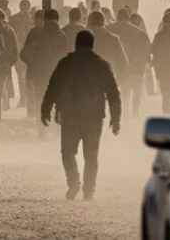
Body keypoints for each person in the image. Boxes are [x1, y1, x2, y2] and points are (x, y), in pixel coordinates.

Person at [41, 30, 122, 201]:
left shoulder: (66, 63)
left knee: (67, 152)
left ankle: (73, 181)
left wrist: (45, 109)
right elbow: (113, 93)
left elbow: (53, 87)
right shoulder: (101, 64)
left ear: (76, 44)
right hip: (94, 116)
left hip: (70, 115)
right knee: (91, 155)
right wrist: (116, 118)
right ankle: (89, 191)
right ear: (93, 44)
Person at [19, 10, 67, 133]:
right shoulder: (62, 35)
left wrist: (33, 65)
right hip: (58, 75)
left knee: (40, 100)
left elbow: (23, 54)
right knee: (58, 101)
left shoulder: (35, 33)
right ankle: (57, 130)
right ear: (57, 19)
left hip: (39, 75)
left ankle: (42, 130)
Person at [109, 10, 149, 116]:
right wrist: (144, 64)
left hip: (120, 69)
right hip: (137, 68)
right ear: (128, 18)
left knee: (124, 92)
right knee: (136, 91)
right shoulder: (140, 33)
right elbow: (146, 51)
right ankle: (135, 112)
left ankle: (125, 114)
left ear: (117, 17)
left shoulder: (109, 30)